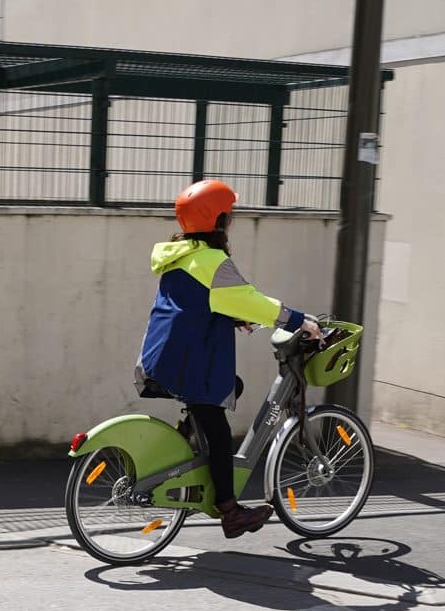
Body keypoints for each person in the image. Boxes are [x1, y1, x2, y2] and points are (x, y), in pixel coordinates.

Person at [136, 179, 323, 538]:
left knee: (227, 388)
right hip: (190, 361)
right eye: (230, 215)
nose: (232, 220)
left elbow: (196, 303)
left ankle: (188, 442)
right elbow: (252, 300)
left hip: (164, 355)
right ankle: (230, 511)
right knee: (220, 433)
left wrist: (234, 317)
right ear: (218, 220)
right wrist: (301, 321)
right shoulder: (212, 261)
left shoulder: (180, 256)